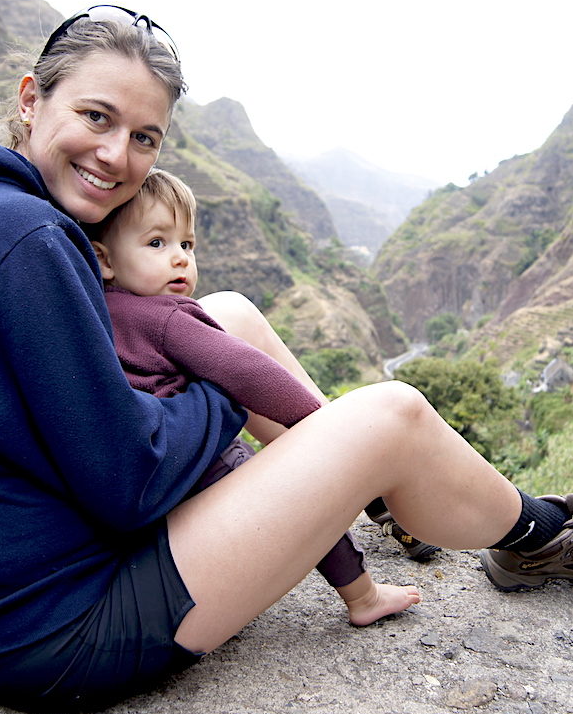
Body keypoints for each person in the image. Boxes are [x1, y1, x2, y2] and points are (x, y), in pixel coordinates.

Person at [0, 5, 573, 714]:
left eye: (144, 137)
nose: (116, 155)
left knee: (222, 316)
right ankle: (536, 537)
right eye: (95, 116)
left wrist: (220, 366)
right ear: (32, 99)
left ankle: (374, 496)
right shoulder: (23, 241)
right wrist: (224, 389)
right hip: (59, 629)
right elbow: (129, 482)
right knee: (389, 411)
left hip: (16, 580)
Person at [88, 167, 418, 626]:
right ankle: (363, 596)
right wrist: (320, 428)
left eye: (187, 244)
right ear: (104, 260)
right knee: (309, 504)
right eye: (157, 243)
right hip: (205, 468)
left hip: (151, 498)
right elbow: (249, 372)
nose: (180, 259)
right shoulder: (168, 318)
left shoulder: (92, 315)